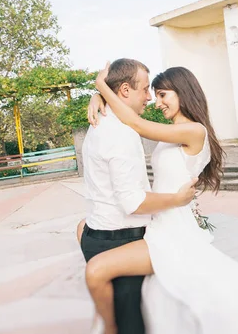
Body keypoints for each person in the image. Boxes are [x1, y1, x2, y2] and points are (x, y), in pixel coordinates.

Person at [83, 61, 238, 334]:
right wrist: (100, 98)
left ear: (183, 92)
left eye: (163, 95)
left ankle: (110, 328)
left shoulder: (194, 130)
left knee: (98, 269)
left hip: (174, 227)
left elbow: (134, 122)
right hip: (159, 220)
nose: (156, 102)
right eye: (153, 94)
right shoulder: (171, 132)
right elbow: (128, 111)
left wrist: (100, 87)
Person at [77, 58, 199, 334]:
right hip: (122, 237)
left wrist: (99, 93)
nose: (150, 99)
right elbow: (132, 202)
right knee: (131, 324)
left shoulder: (100, 123)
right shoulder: (121, 133)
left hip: (103, 233)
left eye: (159, 94)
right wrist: (178, 200)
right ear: (124, 90)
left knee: (129, 318)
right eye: (146, 90)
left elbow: (137, 122)